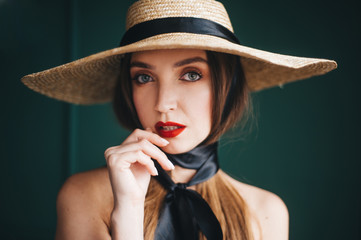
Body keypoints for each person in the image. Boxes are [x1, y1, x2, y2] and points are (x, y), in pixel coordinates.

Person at [21, 0, 337, 239]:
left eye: (190, 74)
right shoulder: (84, 195)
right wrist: (128, 214)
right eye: (143, 77)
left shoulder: (265, 212)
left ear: (226, 86)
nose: (163, 104)